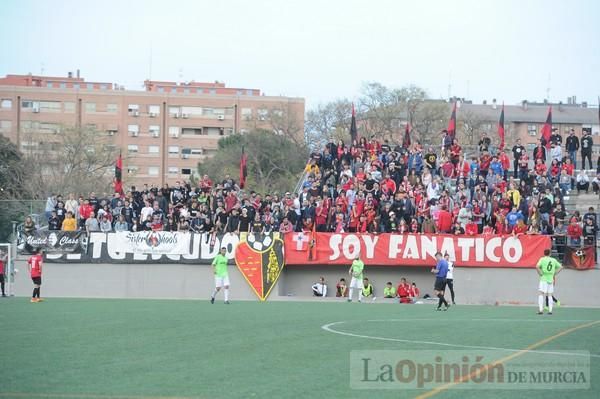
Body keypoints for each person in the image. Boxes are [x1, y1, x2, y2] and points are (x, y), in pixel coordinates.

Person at [536, 249, 562, 315]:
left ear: (544, 253)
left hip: (544, 278)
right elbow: (561, 267)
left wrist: (540, 273)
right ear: (550, 254)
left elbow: (537, 266)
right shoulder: (553, 260)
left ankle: (540, 310)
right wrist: (555, 273)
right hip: (551, 279)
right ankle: (550, 311)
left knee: (541, 293)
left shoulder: (542, 259)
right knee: (550, 295)